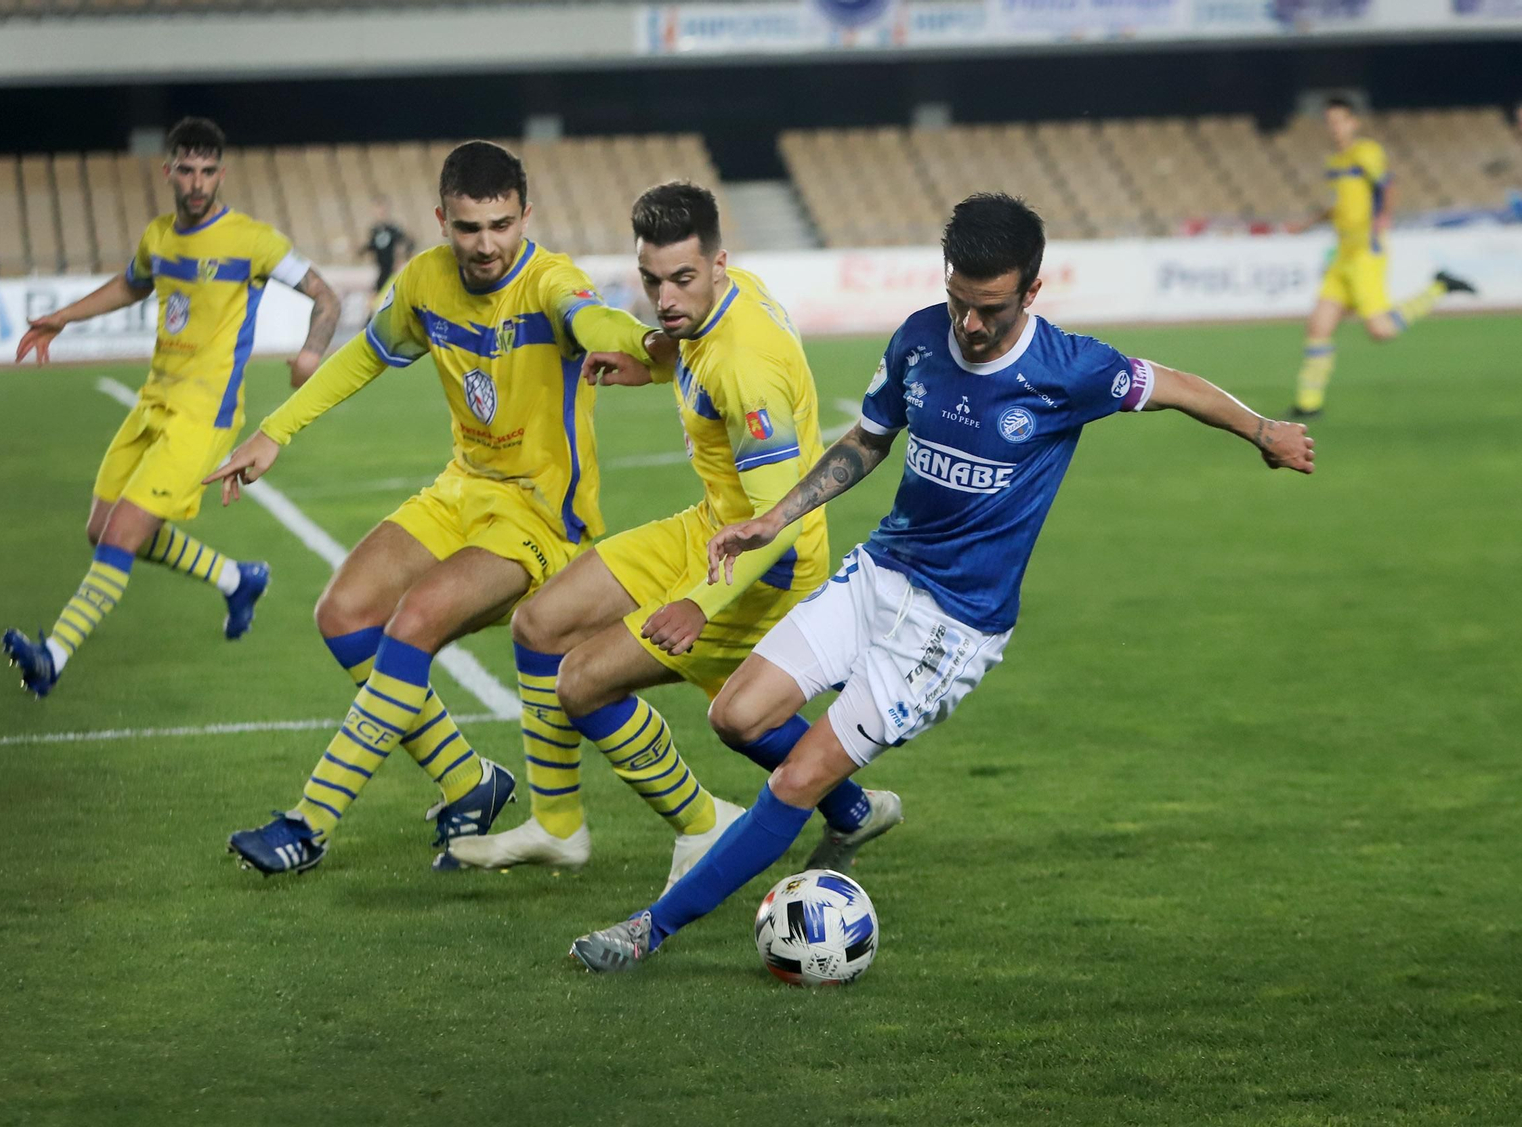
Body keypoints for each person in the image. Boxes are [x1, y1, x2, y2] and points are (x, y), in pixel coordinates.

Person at [568, 192, 1317, 972]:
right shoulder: (920, 338)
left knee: (796, 776)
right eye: (959, 300)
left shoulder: (1069, 369)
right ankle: (854, 812)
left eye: (990, 309)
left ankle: (649, 929)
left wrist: (1264, 430)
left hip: (951, 626)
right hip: (880, 573)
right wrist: (776, 516)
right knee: (735, 714)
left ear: (1031, 291)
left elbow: (1178, 385)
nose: (970, 324)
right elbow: (867, 440)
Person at [212, 141, 671, 875]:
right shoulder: (425, 281)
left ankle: (309, 823)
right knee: (343, 614)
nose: (486, 245)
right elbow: (365, 354)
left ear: (526, 216)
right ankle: (468, 781)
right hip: (462, 488)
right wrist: (275, 430)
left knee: (414, 620)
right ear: (441, 220)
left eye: (501, 225)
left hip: (538, 516)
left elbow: (595, 322)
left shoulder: (552, 283)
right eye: (468, 228)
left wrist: (646, 343)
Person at [444, 182, 900, 893]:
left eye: (681, 278)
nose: (663, 298)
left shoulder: (745, 366)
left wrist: (698, 603)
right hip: (710, 526)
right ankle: (558, 826)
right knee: (539, 622)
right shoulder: (728, 296)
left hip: (764, 563)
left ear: (718, 264)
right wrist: (651, 364)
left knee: (584, 682)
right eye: (651, 279)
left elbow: (779, 524)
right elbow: (690, 347)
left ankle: (707, 822)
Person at [2, 116, 340, 698]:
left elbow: (325, 297)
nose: (197, 182)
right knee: (101, 530)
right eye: (186, 169)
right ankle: (235, 579)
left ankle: (52, 656)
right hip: (153, 403)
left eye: (208, 170)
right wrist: (64, 316)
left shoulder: (252, 240)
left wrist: (311, 353)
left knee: (120, 536)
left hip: (204, 415)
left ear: (221, 173)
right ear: (169, 172)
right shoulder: (159, 236)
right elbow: (133, 283)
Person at [1288, 97, 1475, 419]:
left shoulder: (1367, 152)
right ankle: (1308, 404)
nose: (1334, 128)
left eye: (1339, 120)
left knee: (1381, 331)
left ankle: (1439, 288)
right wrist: (1307, 224)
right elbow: (1339, 206)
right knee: (1318, 326)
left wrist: (1383, 218)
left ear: (1353, 122)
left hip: (1366, 252)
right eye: (1329, 121)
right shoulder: (1335, 162)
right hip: (1343, 254)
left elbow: (1388, 185)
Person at [361, 195, 413, 305]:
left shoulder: (394, 229)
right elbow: (371, 247)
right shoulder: (374, 230)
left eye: (382, 208)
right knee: (374, 298)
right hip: (382, 270)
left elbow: (407, 243)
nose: (380, 211)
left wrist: (401, 258)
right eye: (377, 208)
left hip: (393, 270)